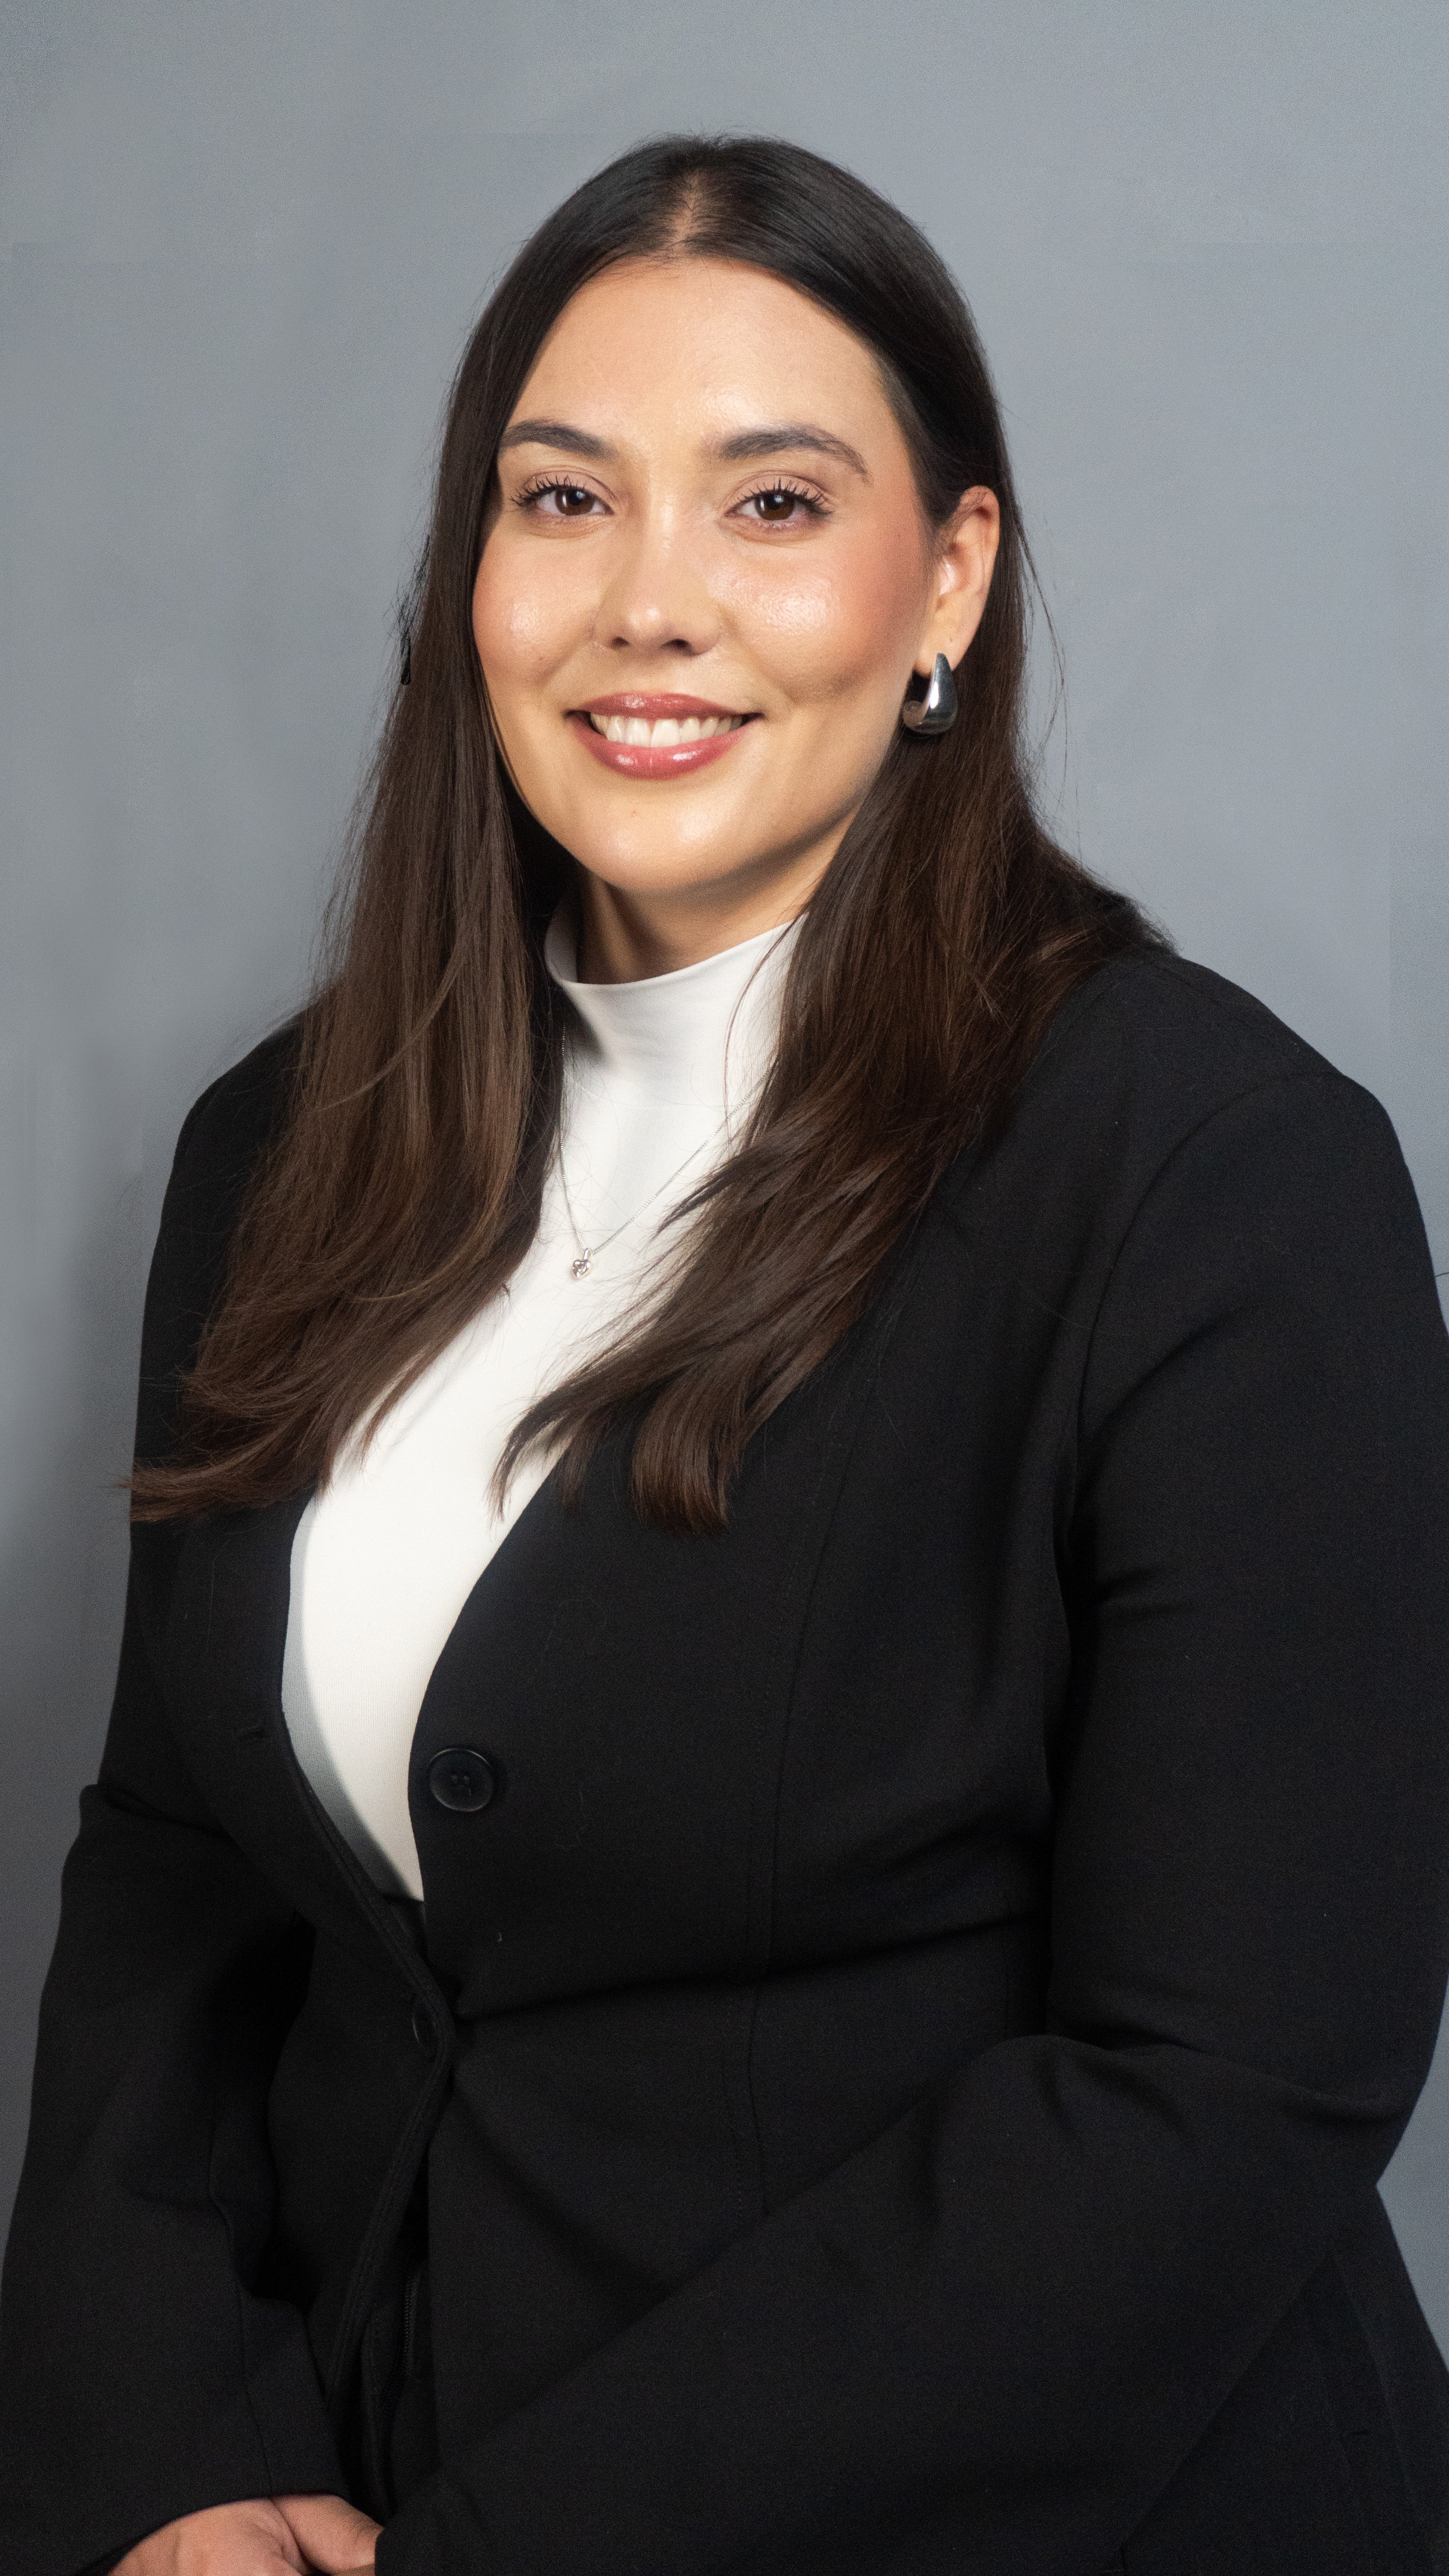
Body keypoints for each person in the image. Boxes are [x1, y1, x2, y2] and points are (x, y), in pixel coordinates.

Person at [2, 131, 1448, 2576]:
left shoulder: (1214, 1175)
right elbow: (178, 1867)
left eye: (775, 505)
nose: (645, 605)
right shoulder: (289, 1143)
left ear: (947, 585)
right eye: (561, 502)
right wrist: (164, 2462)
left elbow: (1218, 2092)